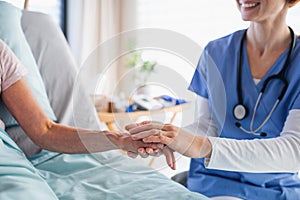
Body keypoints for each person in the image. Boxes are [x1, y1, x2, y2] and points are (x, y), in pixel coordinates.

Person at [126, 0, 300, 199]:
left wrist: (204, 146)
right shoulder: (215, 52)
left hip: (271, 189)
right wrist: (167, 138)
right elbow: (207, 125)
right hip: (210, 183)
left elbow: (294, 150)